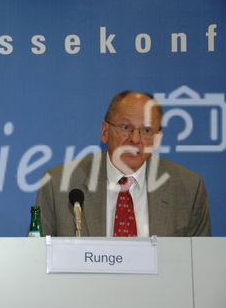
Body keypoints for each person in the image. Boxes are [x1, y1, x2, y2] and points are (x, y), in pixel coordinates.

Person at [36, 91, 211, 237]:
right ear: (105, 132)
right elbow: (38, 260)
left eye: (147, 131)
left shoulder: (188, 188)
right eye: (126, 128)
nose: (135, 139)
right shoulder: (58, 184)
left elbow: (199, 266)